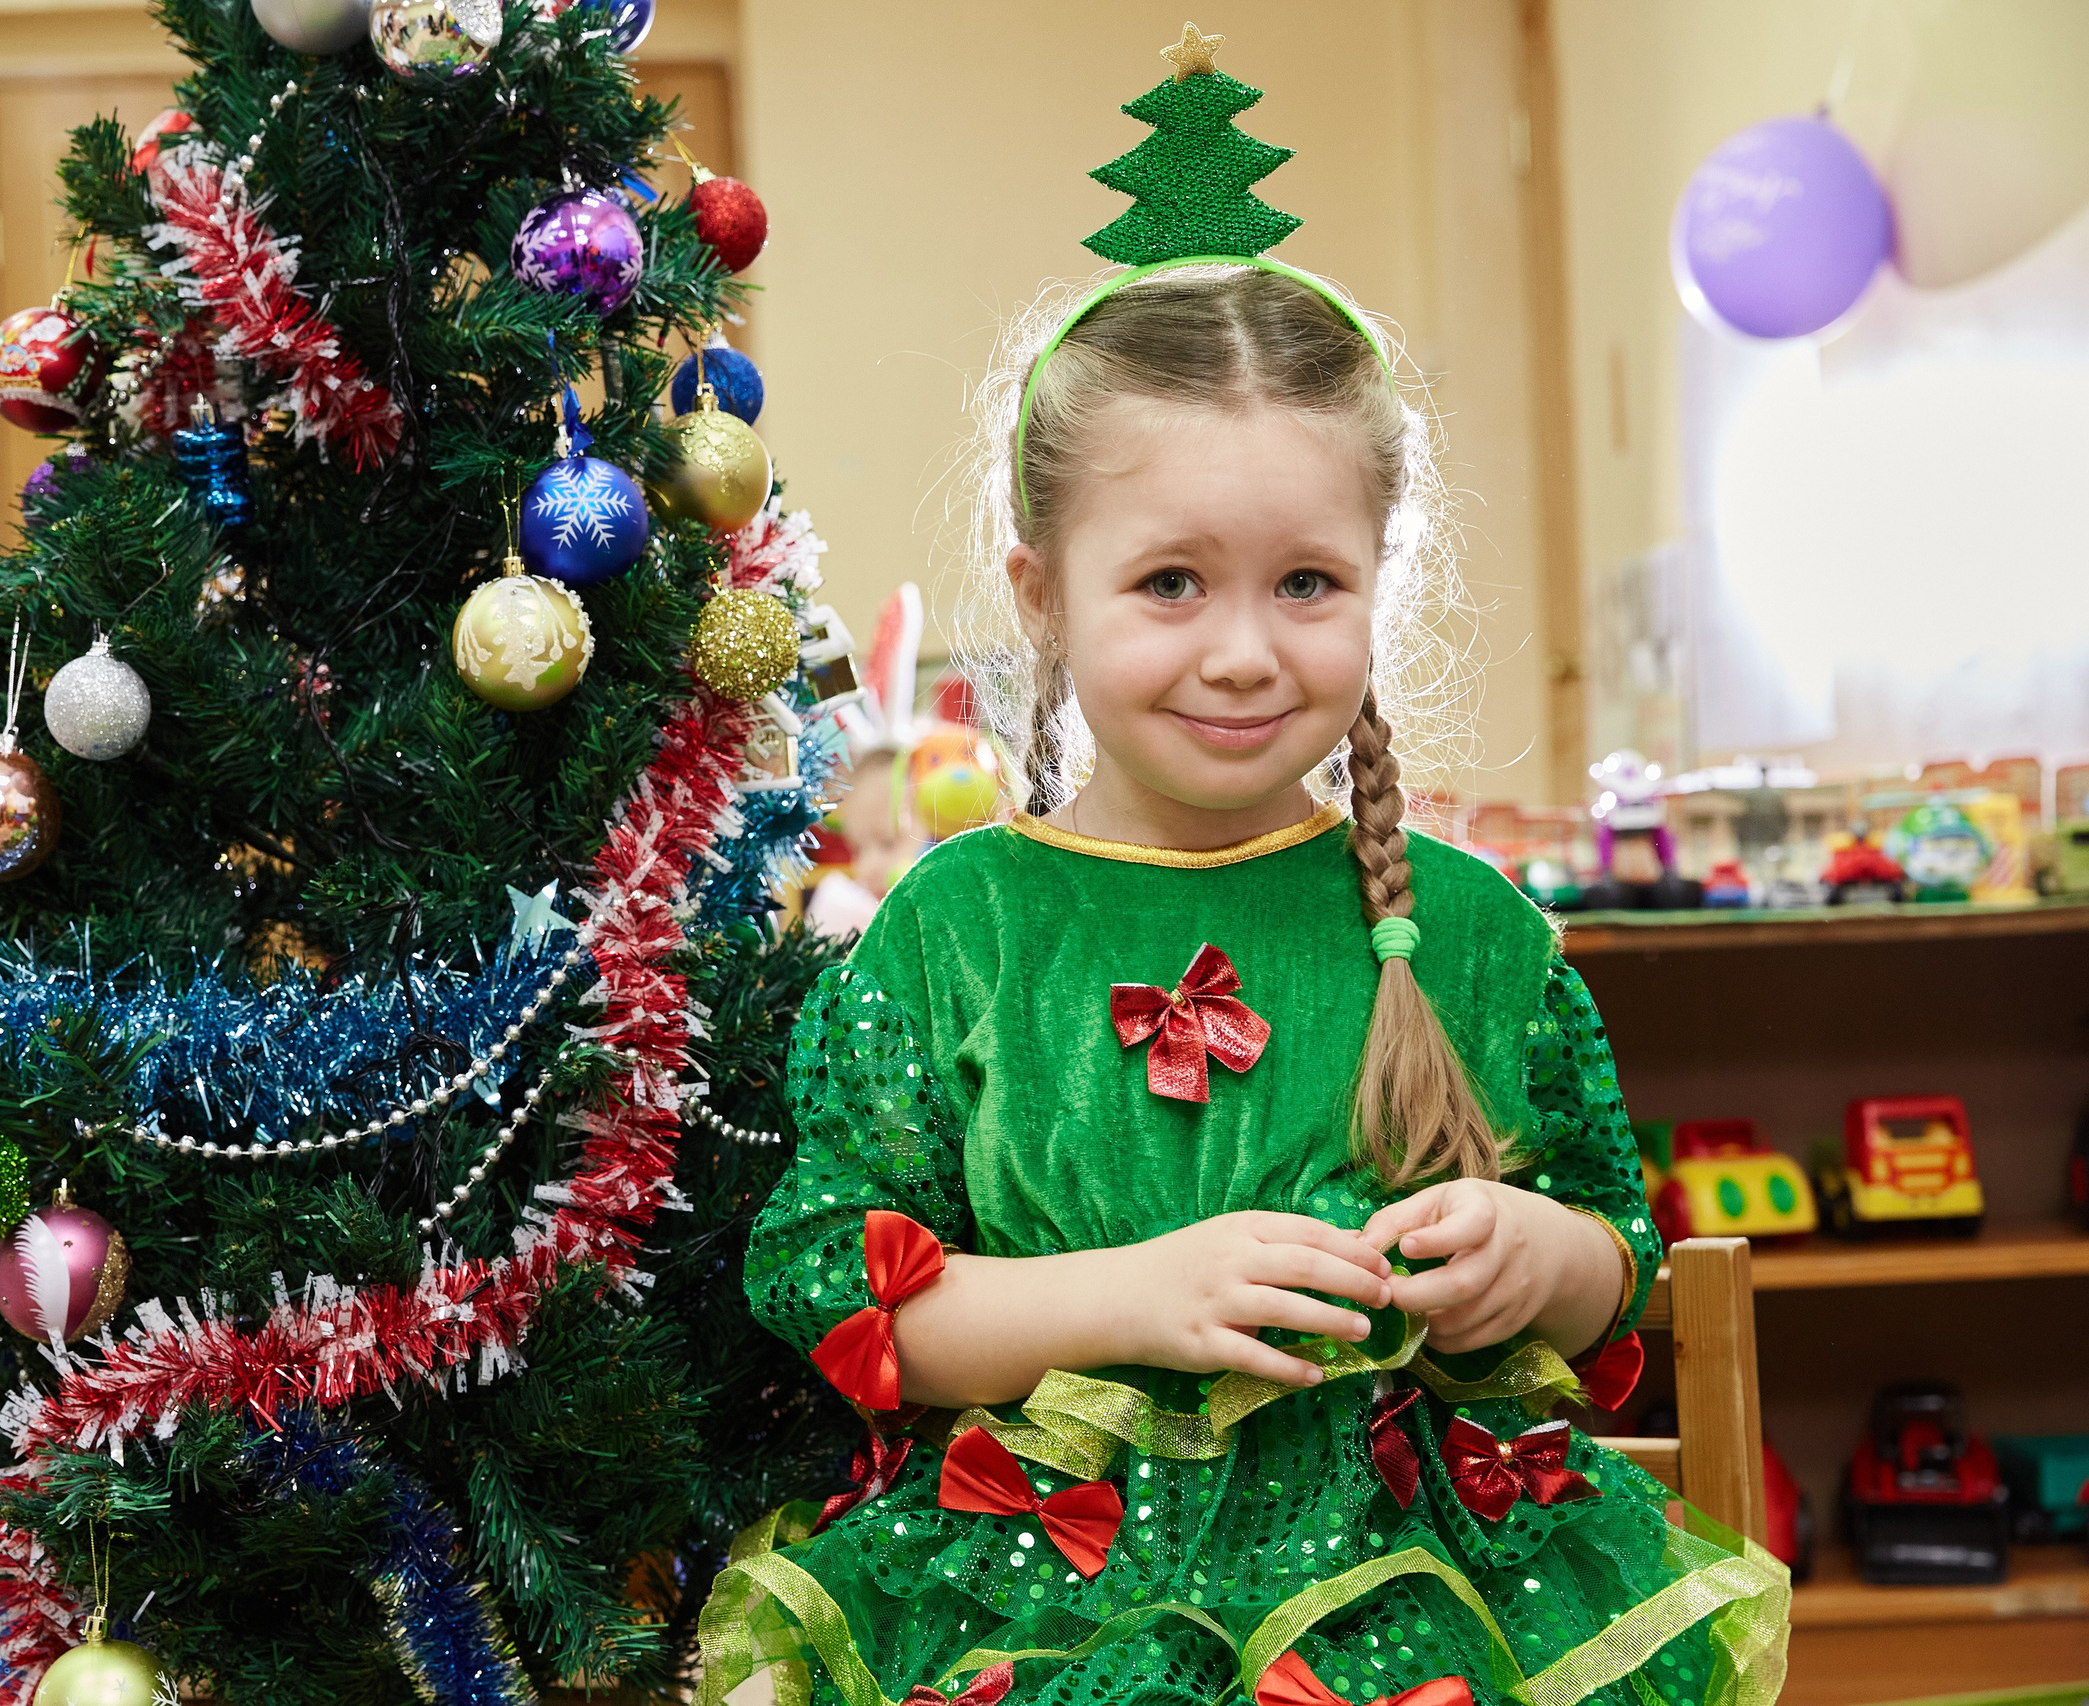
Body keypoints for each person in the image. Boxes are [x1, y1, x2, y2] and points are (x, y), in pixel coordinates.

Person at [696, 102, 1788, 1706]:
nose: (1242, 649)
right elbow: (844, 1300)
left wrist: (1529, 1255)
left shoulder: (1471, 935)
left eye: (1306, 583)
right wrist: (1130, 1294)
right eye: (1167, 582)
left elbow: (1617, 1264)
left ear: (1374, 581)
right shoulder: (956, 930)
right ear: (1041, 590)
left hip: (1441, 1592)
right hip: (1049, 1588)